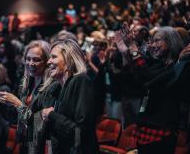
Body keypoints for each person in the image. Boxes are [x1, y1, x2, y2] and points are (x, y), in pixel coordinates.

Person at [112, 26, 188, 154]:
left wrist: (132, 47)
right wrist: (125, 53)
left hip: (161, 132)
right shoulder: (158, 64)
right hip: (145, 128)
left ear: (171, 42)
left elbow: (146, 78)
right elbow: (137, 77)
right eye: (152, 41)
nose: (153, 45)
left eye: (157, 41)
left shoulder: (178, 67)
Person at [0, 40, 61, 154]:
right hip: (25, 139)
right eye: (28, 59)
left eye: (36, 60)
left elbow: (39, 122)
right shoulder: (26, 82)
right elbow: (22, 115)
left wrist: (16, 102)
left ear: (47, 61)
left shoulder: (53, 86)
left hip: (42, 143)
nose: (31, 63)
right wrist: (10, 104)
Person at [41, 38, 100, 154]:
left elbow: (80, 131)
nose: (48, 62)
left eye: (54, 57)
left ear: (69, 60)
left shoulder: (81, 81)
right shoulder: (58, 87)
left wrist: (51, 115)